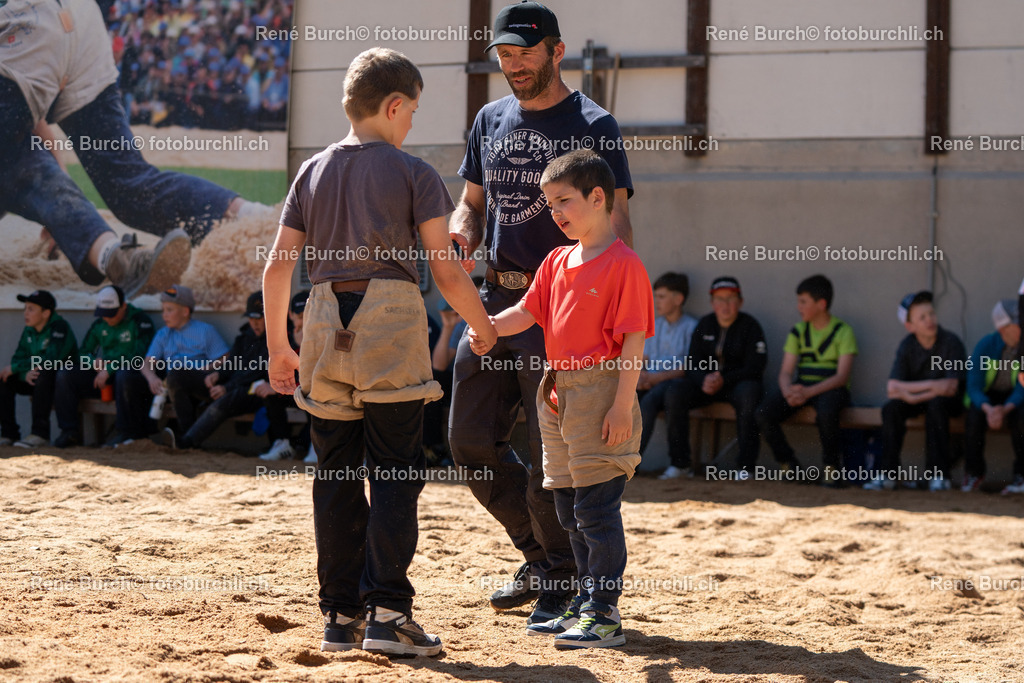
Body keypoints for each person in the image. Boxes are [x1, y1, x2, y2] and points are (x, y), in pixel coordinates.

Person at [262, 47, 496, 657]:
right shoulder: (414, 173)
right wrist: (482, 324)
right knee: (395, 470)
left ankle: (338, 616)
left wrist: (278, 349)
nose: (412, 122)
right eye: (412, 110)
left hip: (318, 318)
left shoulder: (310, 171)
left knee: (335, 474)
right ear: (394, 106)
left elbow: (275, 270)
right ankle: (388, 614)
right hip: (389, 317)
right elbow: (445, 271)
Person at [448, 0, 634, 625]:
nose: (513, 64)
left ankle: (565, 577)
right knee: (468, 441)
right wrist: (459, 233)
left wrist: (615, 306)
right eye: (504, 54)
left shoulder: (594, 123)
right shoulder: (489, 118)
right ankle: (538, 555)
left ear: (557, 51)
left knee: (548, 447)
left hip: (561, 307)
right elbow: (470, 203)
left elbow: (617, 220)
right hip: (492, 301)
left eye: (525, 52)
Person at [469, 149, 654, 648]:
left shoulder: (624, 265)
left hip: (600, 391)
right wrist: (485, 328)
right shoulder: (555, 260)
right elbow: (526, 314)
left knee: (596, 508)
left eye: (564, 202)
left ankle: (603, 611)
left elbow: (633, 341)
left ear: (599, 198)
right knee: (568, 506)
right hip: (556, 392)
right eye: (550, 204)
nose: (556, 213)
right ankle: (582, 600)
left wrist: (621, 404)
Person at [0, 0, 269, 297]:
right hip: (81, 21)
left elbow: (20, 151)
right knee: (127, 182)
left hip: (21, 30)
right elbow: (25, 129)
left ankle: (119, 259)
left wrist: (56, 210)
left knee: (16, 165)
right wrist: (56, 209)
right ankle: (258, 218)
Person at [756, 275, 858, 486]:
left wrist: (808, 393)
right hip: (801, 388)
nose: (798, 307)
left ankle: (831, 469)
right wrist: (788, 392)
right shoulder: (798, 331)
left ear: (821, 304)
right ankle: (789, 465)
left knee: (827, 412)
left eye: (803, 302)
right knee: (763, 413)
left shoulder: (843, 332)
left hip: (830, 389)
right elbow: (785, 372)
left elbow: (841, 377)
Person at [866, 291, 966, 491]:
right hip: (919, 399)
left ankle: (938, 475)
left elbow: (950, 388)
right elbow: (891, 387)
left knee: (937, 407)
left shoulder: (951, 342)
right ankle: (888, 474)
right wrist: (929, 388)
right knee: (891, 409)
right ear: (910, 326)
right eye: (922, 317)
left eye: (931, 314)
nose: (929, 320)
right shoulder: (907, 345)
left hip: (949, 403)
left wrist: (910, 392)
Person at [154, 291, 277, 451]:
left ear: (270, 316)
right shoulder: (245, 335)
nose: (254, 323)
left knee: (229, 398)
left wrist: (227, 387)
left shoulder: (276, 339)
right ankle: (186, 434)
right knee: (177, 375)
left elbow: (256, 372)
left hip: (255, 392)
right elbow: (231, 362)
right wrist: (217, 374)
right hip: (230, 387)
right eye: (251, 318)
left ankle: (187, 442)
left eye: (258, 318)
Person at [673, 277, 767, 478]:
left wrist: (725, 379)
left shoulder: (751, 326)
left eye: (730, 298)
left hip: (736, 386)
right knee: (675, 391)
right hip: (706, 387)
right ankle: (680, 465)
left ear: (740, 302)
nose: (725, 305)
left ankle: (746, 468)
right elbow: (692, 362)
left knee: (750, 392)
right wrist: (704, 380)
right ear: (712, 303)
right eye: (719, 299)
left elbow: (756, 367)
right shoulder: (704, 324)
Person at [52, 285, 156, 448]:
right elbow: (82, 353)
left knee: (125, 374)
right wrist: (93, 362)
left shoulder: (140, 321)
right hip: (104, 377)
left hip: (130, 377)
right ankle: (69, 431)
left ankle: (126, 433)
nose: (107, 318)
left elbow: (140, 356)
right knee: (66, 374)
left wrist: (110, 368)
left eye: (111, 314)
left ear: (123, 306)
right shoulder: (99, 325)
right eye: (103, 314)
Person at [137, 285, 230, 444]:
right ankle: (140, 435)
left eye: (169, 310)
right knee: (132, 378)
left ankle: (186, 435)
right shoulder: (163, 334)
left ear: (185, 312)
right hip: (173, 384)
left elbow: (226, 358)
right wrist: (152, 378)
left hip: (202, 382)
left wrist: (203, 370)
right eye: (163, 310)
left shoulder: (204, 331)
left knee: (176, 375)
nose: (164, 315)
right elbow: (146, 364)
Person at [636, 271, 698, 479]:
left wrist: (654, 379)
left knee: (650, 401)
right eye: (656, 296)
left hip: (674, 384)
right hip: (650, 383)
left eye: (662, 296)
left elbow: (687, 367)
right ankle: (616, 462)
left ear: (678, 299)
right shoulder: (655, 324)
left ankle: (632, 463)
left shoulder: (692, 327)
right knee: (625, 397)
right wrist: (640, 377)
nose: (656, 301)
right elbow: (642, 358)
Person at [0, 290, 78, 448]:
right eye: (25, 308)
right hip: (34, 375)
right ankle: (9, 434)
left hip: (60, 381)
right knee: (5, 377)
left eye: (31, 309)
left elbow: (51, 358)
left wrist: (21, 368)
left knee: (42, 373)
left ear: (46, 313)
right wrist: (23, 373)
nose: (25, 313)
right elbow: (18, 358)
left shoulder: (59, 327)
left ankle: (40, 434)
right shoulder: (29, 329)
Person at [962, 299, 1024, 493]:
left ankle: (1021, 476)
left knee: (1023, 417)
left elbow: (1023, 387)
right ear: (1004, 328)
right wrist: (989, 409)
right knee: (973, 417)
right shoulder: (986, 345)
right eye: (1019, 322)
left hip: (1014, 401)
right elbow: (973, 387)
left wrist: (1005, 408)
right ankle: (974, 473)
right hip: (987, 402)